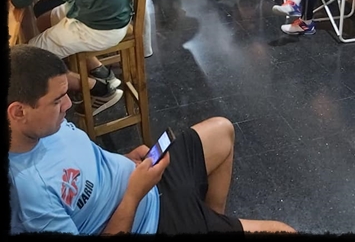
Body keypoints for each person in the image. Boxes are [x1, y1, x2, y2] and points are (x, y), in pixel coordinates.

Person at [8, 44, 296, 236]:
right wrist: (134, 193)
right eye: (57, 100)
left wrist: (126, 161)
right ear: (18, 112)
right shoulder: (29, 191)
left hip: (146, 185)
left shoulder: (44, 125)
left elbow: (89, 162)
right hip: (150, 221)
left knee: (222, 130)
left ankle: (210, 219)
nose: (69, 105)